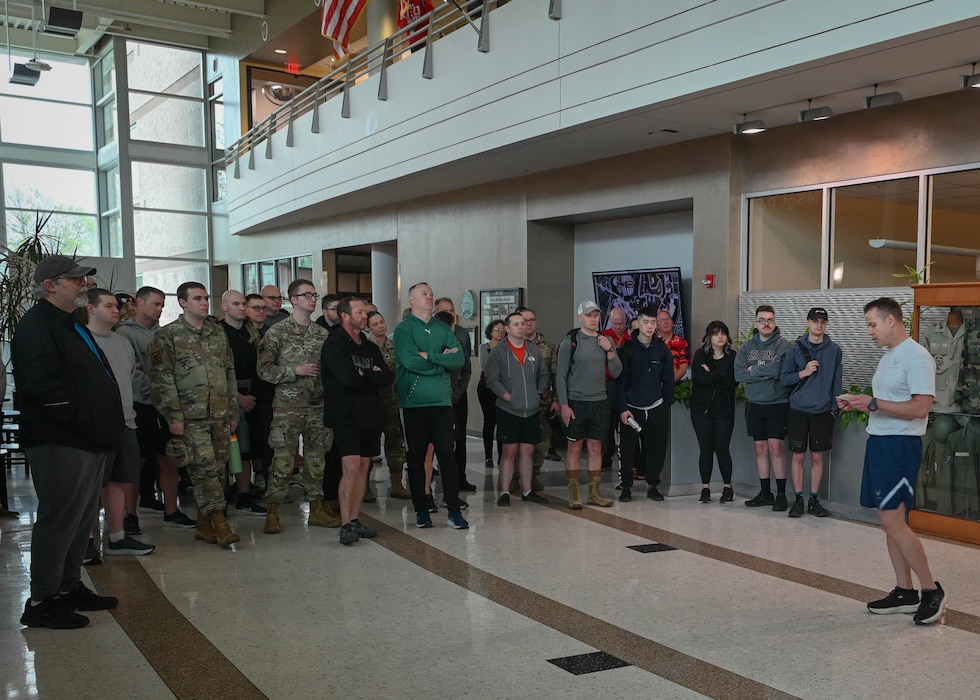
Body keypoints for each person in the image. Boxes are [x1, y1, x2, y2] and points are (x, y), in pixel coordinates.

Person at [15, 255, 123, 629]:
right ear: (50, 285)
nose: (85, 284)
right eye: (75, 280)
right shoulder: (37, 324)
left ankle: (68, 587)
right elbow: (41, 386)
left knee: (81, 519)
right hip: (61, 440)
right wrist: (80, 422)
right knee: (59, 520)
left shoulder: (69, 322)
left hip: (87, 439)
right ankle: (42, 600)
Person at [837, 297, 946, 625]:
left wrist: (873, 404)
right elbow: (883, 402)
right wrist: (862, 403)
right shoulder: (889, 357)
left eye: (872, 324)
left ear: (891, 321)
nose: (870, 331)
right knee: (890, 522)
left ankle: (931, 590)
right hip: (880, 444)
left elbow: (920, 408)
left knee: (893, 522)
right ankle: (904, 591)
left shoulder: (916, 357)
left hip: (900, 447)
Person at [150, 282, 241, 548]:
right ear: (182, 302)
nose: (204, 303)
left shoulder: (217, 332)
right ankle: (220, 523)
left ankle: (203, 525)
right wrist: (173, 416)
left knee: (218, 470)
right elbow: (161, 378)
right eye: (197, 298)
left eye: (206, 298)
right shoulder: (169, 335)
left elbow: (229, 372)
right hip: (190, 416)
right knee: (203, 470)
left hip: (221, 414)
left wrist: (233, 410)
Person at [257, 279, 338, 533]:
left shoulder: (323, 335)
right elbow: (264, 369)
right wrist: (295, 370)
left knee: (317, 460)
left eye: (314, 295)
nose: (312, 299)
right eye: (307, 295)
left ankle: (316, 509)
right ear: (293, 300)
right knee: (282, 461)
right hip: (288, 407)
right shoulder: (277, 333)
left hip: (317, 407)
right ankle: (272, 510)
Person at [117, 286, 195, 528]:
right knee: (136, 461)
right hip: (140, 405)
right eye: (155, 304)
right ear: (139, 303)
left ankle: (172, 510)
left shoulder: (166, 334)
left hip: (167, 407)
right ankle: (130, 514)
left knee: (169, 458)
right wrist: (158, 390)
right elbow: (131, 371)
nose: (159, 309)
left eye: (162, 305)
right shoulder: (124, 334)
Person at [86, 288, 156, 556]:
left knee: (118, 481)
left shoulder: (122, 342)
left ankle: (117, 536)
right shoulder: (81, 341)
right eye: (108, 306)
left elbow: (129, 379)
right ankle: (86, 542)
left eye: (117, 306)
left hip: (126, 421)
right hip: (96, 425)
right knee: (92, 486)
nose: (116, 310)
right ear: (91, 309)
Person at [394, 282, 468, 529]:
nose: (429, 296)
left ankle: (454, 510)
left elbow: (458, 358)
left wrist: (432, 357)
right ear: (411, 300)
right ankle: (421, 510)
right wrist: (441, 363)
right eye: (424, 294)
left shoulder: (442, 328)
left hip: (442, 402)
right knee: (416, 458)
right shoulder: (404, 329)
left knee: (448, 456)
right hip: (414, 403)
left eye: (431, 293)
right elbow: (410, 361)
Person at [322, 298, 394, 544]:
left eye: (366, 311)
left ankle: (354, 519)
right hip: (345, 416)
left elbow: (386, 376)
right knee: (351, 468)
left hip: (370, 415)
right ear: (345, 316)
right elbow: (347, 379)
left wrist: (366, 375)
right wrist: (368, 375)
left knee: (364, 468)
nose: (366, 315)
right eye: (360, 312)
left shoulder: (370, 347)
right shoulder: (334, 345)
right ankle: (344, 524)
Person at [556, 300, 622, 509]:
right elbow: (560, 376)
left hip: (599, 400)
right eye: (589, 315)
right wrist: (564, 404)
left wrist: (610, 350)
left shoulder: (605, 340)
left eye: (595, 315)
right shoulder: (571, 341)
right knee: (574, 447)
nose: (593, 319)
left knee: (596, 446)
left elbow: (617, 371)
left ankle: (594, 492)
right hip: (576, 401)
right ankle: (574, 492)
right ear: (580, 318)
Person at [780, 307, 842, 519]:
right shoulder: (794, 349)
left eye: (823, 321)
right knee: (797, 455)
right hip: (798, 409)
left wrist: (834, 408)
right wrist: (803, 372)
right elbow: (784, 379)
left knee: (817, 456)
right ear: (807, 323)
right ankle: (798, 500)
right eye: (815, 321)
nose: (819, 325)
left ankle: (814, 500)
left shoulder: (834, 350)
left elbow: (837, 382)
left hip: (822, 411)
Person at [485, 312, 550, 506]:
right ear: (507, 329)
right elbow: (492, 380)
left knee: (528, 451)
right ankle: (505, 491)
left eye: (523, 324)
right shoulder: (499, 351)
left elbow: (543, 375)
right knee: (510, 451)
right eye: (516, 324)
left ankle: (527, 490)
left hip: (531, 409)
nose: (521, 327)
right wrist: (508, 397)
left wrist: (538, 393)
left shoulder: (533, 350)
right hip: (508, 409)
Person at [734, 305, 791, 511]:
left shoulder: (783, 345)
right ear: (755, 323)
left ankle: (781, 494)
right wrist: (763, 373)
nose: (766, 324)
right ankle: (765, 492)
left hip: (777, 403)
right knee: (760, 448)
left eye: (770, 320)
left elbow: (778, 369)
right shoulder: (747, 347)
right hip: (755, 404)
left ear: (775, 322)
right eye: (762, 320)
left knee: (776, 448)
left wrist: (754, 370)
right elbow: (739, 374)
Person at [614, 306, 674, 503]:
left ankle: (653, 485)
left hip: (657, 406)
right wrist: (623, 408)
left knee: (656, 448)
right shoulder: (626, 350)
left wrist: (666, 403)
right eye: (646, 322)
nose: (650, 326)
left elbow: (669, 379)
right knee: (628, 448)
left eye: (653, 322)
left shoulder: (663, 350)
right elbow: (620, 382)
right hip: (632, 408)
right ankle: (626, 487)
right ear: (638, 323)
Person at [219, 290, 267, 516]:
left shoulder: (253, 333)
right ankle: (219, 499)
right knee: (226, 450)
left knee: (249, 448)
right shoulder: (217, 333)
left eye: (243, 304)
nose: (241, 307)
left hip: (254, 396)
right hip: (227, 397)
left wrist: (251, 396)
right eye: (236, 304)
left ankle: (244, 495)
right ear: (225, 306)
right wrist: (237, 397)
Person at [366, 310, 412, 499]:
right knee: (369, 447)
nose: (380, 326)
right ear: (368, 328)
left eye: (382, 322)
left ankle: (396, 484)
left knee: (395, 445)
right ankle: (365, 488)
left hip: (393, 402)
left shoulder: (394, 346)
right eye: (375, 324)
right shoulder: (366, 348)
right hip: (373, 404)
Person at [690, 320, 737, 504]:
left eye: (723, 333)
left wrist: (712, 375)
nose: (720, 337)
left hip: (724, 410)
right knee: (706, 449)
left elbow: (733, 381)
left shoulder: (732, 356)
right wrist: (721, 375)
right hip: (702, 410)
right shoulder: (701, 355)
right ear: (709, 336)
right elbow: (701, 379)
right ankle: (705, 488)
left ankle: (727, 487)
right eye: (716, 333)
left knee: (722, 449)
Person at [434, 297, 476, 492]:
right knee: (443, 440)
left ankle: (461, 476)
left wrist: (459, 391)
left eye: (452, 310)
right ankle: (445, 482)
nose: (449, 314)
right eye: (445, 311)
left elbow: (466, 368)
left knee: (459, 437)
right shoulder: (431, 337)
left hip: (457, 395)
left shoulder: (460, 336)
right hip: (438, 397)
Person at [520, 306, 562, 471]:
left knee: (542, 443)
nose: (529, 324)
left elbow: (555, 375)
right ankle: (518, 478)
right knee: (519, 444)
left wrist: (557, 400)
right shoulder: (511, 344)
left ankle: (534, 474)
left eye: (532, 320)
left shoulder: (547, 345)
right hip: (518, 403)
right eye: (525, 321)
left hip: (543, 402)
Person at [600, 307, 632, 473]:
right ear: (610, 321)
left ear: (625, 322)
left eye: (621, 323)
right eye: (615, 323)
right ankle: (605, 458)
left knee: (626, 422)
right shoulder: (603, 337)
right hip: (608, 384)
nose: (618, 327)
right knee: (606, 423)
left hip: (627, 385)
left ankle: (628, 461)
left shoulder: (631, 337)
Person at [478, 319, 506, 468]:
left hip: (502, 388)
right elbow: (486, 366)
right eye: (497, 329)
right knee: (489, 420)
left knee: (502, 421)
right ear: (490, 331)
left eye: (502, 330)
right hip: (487, 387)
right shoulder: (484, 347)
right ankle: (488, 456)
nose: (500, 332)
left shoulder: (507, 348)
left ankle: (502, 455)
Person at [656, 309, 690, 384]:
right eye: (661, 320)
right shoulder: (651, 343)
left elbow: (683, 368)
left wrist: (669, 384)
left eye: (668, 319)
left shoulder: (681, 343)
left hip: (673, 385)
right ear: (656, 325)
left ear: (672, 322)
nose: (665, 322)